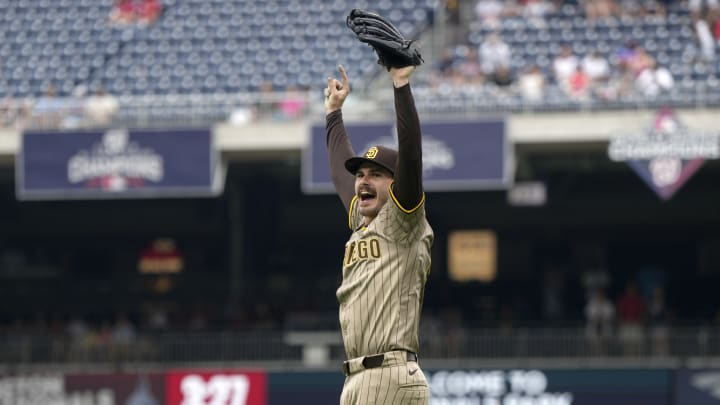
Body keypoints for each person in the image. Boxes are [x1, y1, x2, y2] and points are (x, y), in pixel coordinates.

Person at [324, 64, 434, 405]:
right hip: (358, 378)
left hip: (390, 372)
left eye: (375, 174)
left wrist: (401, 87)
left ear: (395, 183)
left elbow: (412, 153)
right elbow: (342, 175)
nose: (363, 180)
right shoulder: (362, 219)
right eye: (361, 174)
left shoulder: (404, 220)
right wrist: (333, 114)